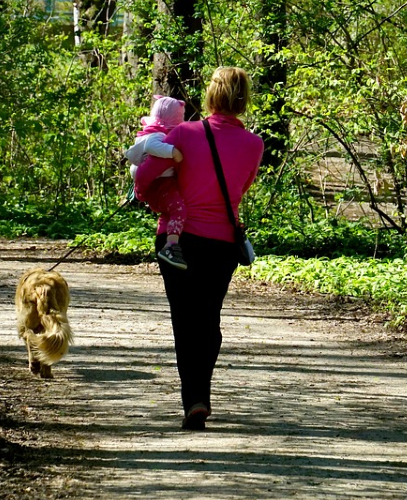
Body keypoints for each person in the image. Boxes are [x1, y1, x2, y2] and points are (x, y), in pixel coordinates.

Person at [134, 67, 263, 430]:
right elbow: (242, 189)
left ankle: (194, 398)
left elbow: (143, 177)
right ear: (243, 100)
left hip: (178, 240)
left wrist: (154, 200)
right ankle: (200, 394)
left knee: (184, 320)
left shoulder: (183, 134)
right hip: (222, 243)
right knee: (209, 319)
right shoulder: (254, 145)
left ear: (210, 96)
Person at [125, 95, 189, 270]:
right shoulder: (157, 135)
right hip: (161, 184)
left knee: (169, 212)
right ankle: (171, 246)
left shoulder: (149, 133)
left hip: (154, 185)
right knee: (179, 210)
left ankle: (169, 241)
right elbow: (152, 147)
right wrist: (173, 152)